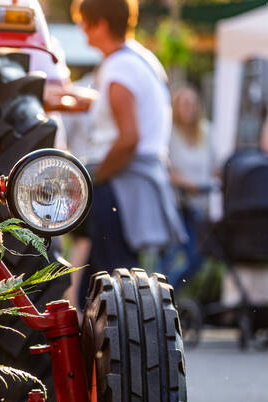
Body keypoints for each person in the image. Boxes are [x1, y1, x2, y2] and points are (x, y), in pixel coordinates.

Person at [73, 0, 187, 304]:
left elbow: (128, 139)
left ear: (101, 24)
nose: (81, 29)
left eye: (85, 22)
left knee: (113, 287)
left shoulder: (119, 67)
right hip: (138, 180)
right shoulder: (143, 59)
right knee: (108, 282)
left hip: (120, 187)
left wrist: (92, 179)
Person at [161, 86, 215, 289]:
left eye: (192, 104)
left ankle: (170, 291)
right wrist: (186, 183)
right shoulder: (169, 133)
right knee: (170, 254)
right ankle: (160, 296)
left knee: (197, 255)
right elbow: (164, 168)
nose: (189, 108)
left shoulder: (206, 132)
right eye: (184, 104)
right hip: (174, 204)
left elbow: (215, 166)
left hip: (197, 205)